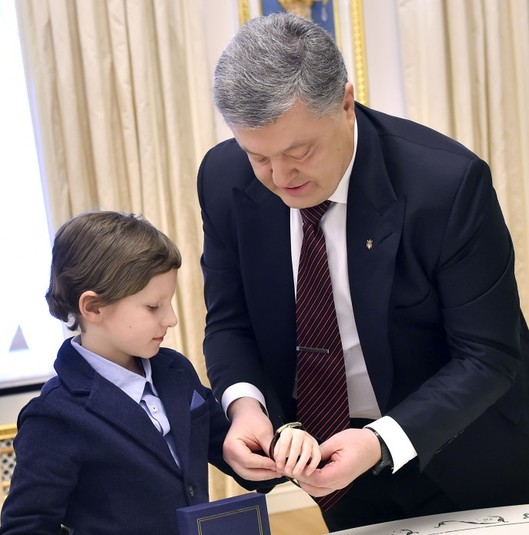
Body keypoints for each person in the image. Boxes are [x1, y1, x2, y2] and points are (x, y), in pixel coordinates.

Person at [197, 12, 529, 532]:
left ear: (345, 103)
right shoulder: (223, 180)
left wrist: (380, 441)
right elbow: (229, 320)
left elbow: (488, 355)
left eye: (299, 152)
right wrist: (244, 405)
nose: (280, 178)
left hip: (466, 450)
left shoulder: (446, 185)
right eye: (258, 157)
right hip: (333, 459)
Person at [0, 210, 320, 535]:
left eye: (168, 304)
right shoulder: (53, 417)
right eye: (153, 307)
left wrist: (282, 448)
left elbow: (235, 447)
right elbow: (24, 527)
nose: (171, 319)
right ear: (93, 307)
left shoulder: (175, 371)